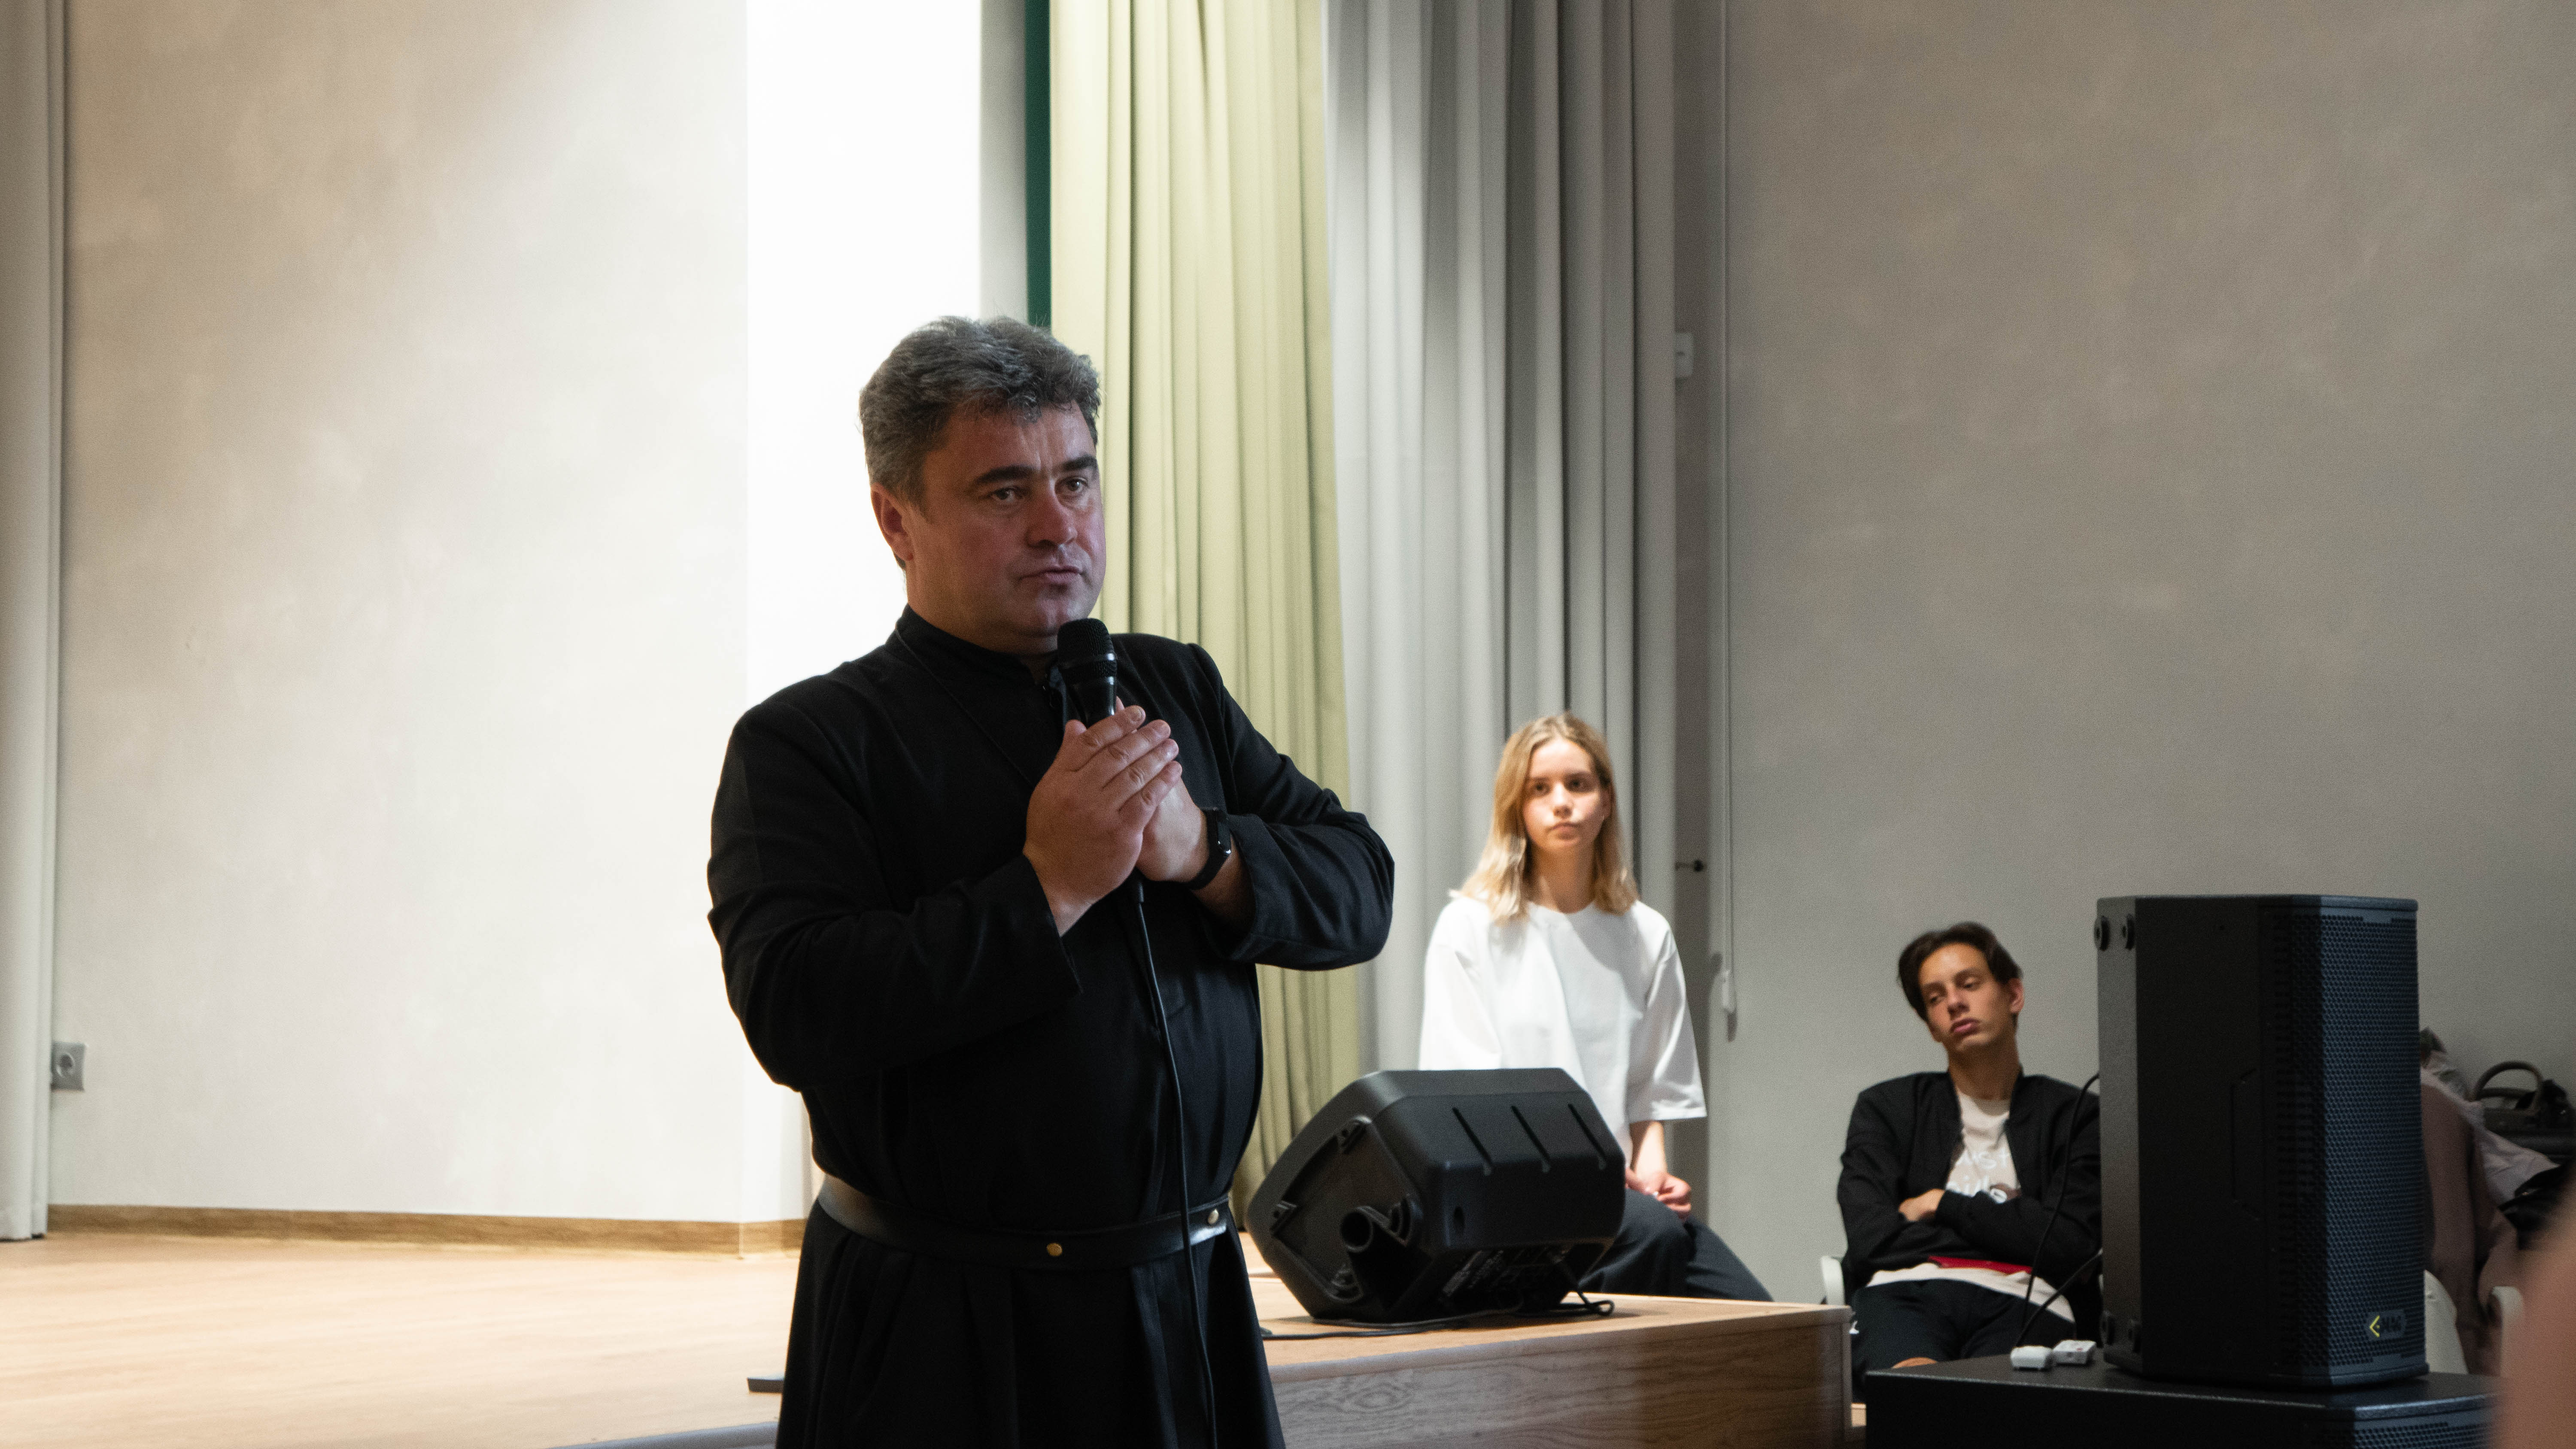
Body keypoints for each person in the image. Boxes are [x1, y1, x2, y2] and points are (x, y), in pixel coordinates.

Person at [708, 316, 1394, 1448]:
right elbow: (798, 1006)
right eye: (1004, 492)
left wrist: (1204, 851)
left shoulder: (1175, 687)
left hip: (1188, 1301)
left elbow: (1359, 884)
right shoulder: (811, 742)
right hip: (943, 1325)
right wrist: (1046, 890)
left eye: (1075, 480)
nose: (1058, 525)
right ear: (896, 520)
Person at [1417, 713, 1769, 1302]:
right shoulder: (1470, 927)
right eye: (1540, 788)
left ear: (1606, 800)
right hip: (1516, 1195)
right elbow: (1469, 1105)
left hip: (1619, 1200)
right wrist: (1599, 1175)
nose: (1561, 802)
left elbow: (1651, 1092)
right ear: (1517, 809)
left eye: (1577, 784)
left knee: (1764, 1318)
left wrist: (1653, 1175)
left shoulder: (1646, 934)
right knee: (1652, 1236)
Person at [1838, 923, 2099, 1388]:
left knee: (1988, 1402)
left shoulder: (2075, 1115)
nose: (1954, 1002)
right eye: (1935, 997)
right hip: (1905, 1292)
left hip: (2028, 1299)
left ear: (2013, 994)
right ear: (1930, 1024)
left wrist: (1942, 1204)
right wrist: (2020, 1233)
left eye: (1969, 984)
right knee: (1916, 1390)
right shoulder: (1887, 1108)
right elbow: (1871, 1241)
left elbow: (2072, 1246)